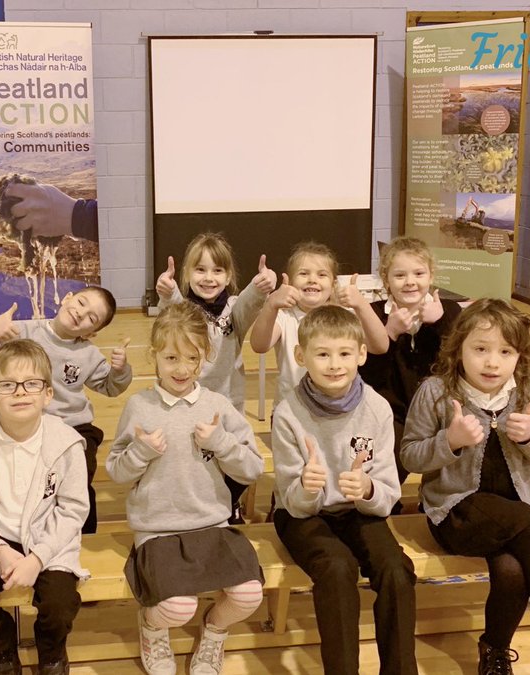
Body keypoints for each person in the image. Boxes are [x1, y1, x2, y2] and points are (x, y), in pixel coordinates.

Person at [400, 299, 530, 675]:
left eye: (505, 351)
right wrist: (449, 441)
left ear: (519, 355)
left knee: (513, 571)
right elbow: (410, 456)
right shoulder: (435, 391)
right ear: (458, 348)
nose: (492, 362)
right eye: (480, 349)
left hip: (517, 512)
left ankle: (494, 653)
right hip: (457, 512)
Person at [106, 302, 265, 675]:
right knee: (177, 608)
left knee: (248, 594)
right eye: (171, 357)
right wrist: (141, 452)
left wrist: (222, 442)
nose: (181, 368)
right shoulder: (139, 405)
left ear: (204, 358)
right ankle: (151, 628)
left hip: (212, 525)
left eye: (191, 358)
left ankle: (214, 633)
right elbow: (115, 470)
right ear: (155, 356)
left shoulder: (217, 405)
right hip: (158, 530)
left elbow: (253, 467)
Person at [270, 305, 417, 675]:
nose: (334, 364)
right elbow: (292, 502)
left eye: (344, 354)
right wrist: (307, 487)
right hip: (303, 515)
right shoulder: (288, 413)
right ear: (301, 356)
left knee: (396, 568)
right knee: (337, 568)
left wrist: (368, 489)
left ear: (361, 355)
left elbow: (386, 497)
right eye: (322, 354)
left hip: (358, 512)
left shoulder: (378, 409)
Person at [0, 340, 89, 675]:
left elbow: (72, 510)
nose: (20, 393)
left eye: (31, 384)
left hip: (48, 539)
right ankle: (3, 648)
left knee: (59, 604)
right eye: (7, 385)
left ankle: (51, 650)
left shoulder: (65, 443)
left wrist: (38, 557)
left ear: (47, 395)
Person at [0, 286, 131, 534]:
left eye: (92, 318)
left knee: (78, 472)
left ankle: (81, 532)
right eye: (81, 302)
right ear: (67, 298)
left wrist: (120, 370)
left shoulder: (88, 354)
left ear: (93, 333)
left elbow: (110, 387)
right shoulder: (24, 331)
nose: (81, 313)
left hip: (74, 427)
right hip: (28, 425)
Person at [154, 232, 276, 522]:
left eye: (217, 270)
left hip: (227, 405)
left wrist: (262, 286)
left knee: (237, 460)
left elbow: (249, 300)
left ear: (228, 275)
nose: (209, 278)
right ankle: (197, 505)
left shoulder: (234, 310)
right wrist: (166, 291)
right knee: (193, 461)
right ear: (187, 273)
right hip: (186, 405)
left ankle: (227, 504)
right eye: (200, 269)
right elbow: (172, 308)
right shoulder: (183, 308)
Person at [357, 237, 462, 493]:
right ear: (386, 280)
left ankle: (437, 501)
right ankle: (374, 502)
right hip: (389, 413)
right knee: (375, 467)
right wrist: (388, 334)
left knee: (457, 455)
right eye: (400, 275)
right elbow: (365, 376)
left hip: (437, 414)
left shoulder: (449, 310)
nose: (410, 282)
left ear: (431, 275)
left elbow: (461, 363)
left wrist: (439, 324)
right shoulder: (373, 313)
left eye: (418, 273)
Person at [248, 240, 339, 406]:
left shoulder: (342, 318)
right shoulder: (284, 316)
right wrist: (271, 304)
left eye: (322, 274)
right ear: (289, 282)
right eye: (303, 274)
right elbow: (259, 345)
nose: (312, 280)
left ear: (333, 285)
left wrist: (360, 306)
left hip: (334, 410)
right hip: (290, 410)